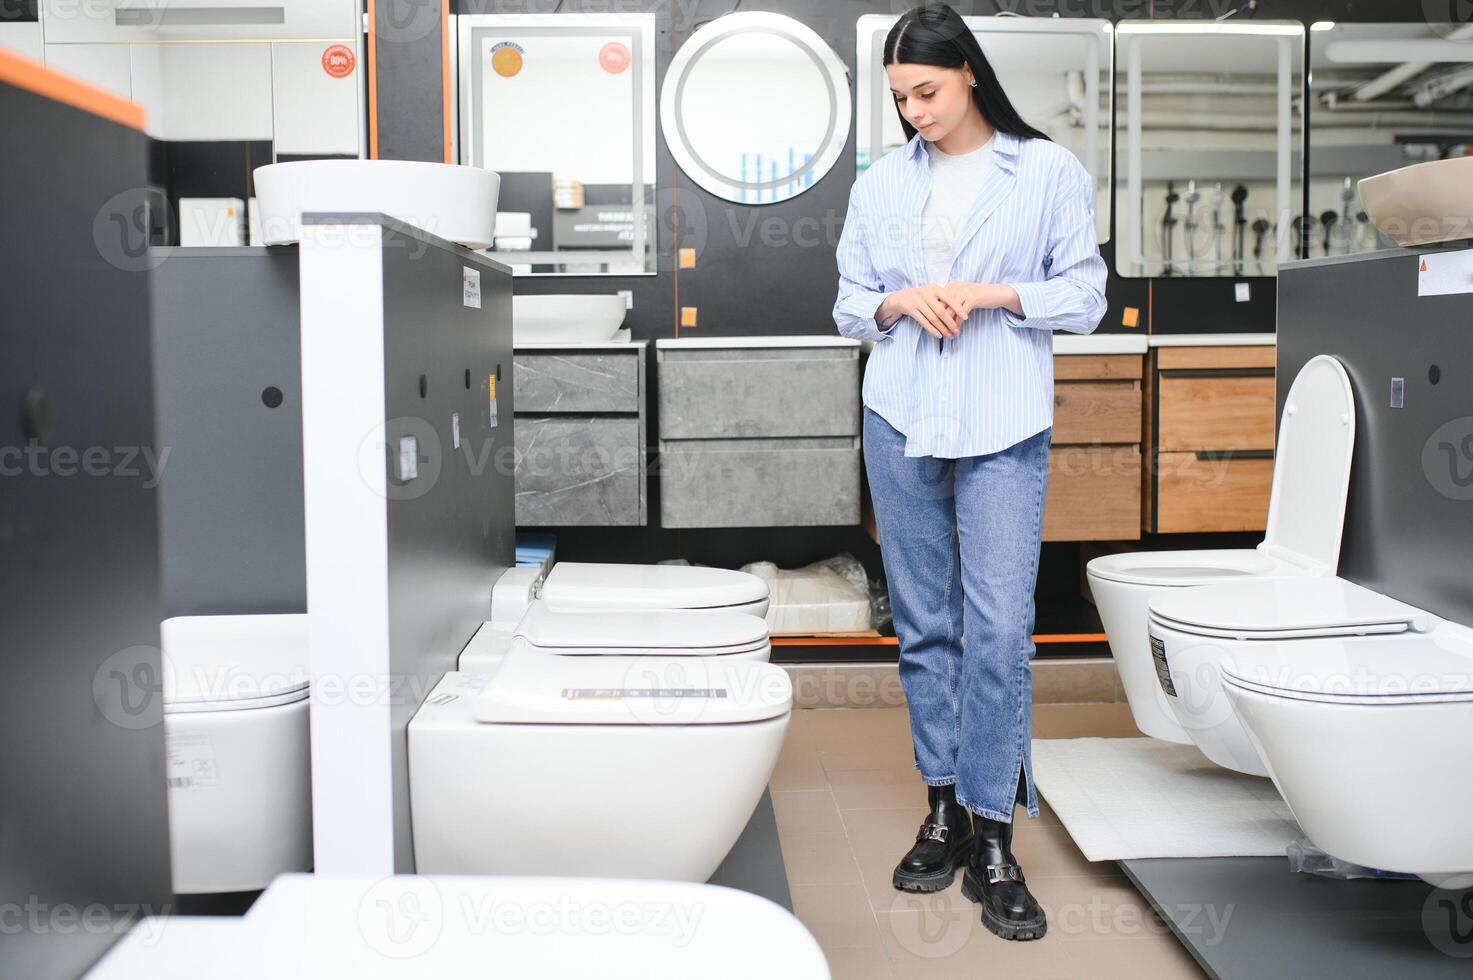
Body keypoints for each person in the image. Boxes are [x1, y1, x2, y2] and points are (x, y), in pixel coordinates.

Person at [832, 2, 1107, 942]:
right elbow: (846, 303)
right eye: (900, 96)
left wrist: (992, 294)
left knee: (998, 629)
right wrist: (898, 302)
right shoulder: (880, 185)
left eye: (928, 91)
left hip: (1000, 420)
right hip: (899, 414)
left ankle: (994, 832)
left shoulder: (1044, 172)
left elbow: (1085, 294)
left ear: (970, 75)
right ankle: (941, 805)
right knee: (923, 626)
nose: (913, 110)